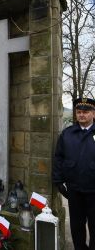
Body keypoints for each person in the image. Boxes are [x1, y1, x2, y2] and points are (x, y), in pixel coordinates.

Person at [53, 97, 95, 250]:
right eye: (79, 112)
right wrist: (58, 182)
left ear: (93, 114)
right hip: (74, 190)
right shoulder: (67, 134)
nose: (82, 115)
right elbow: (58, 157)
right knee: (77, 227)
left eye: (86, 112)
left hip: (93, 191)